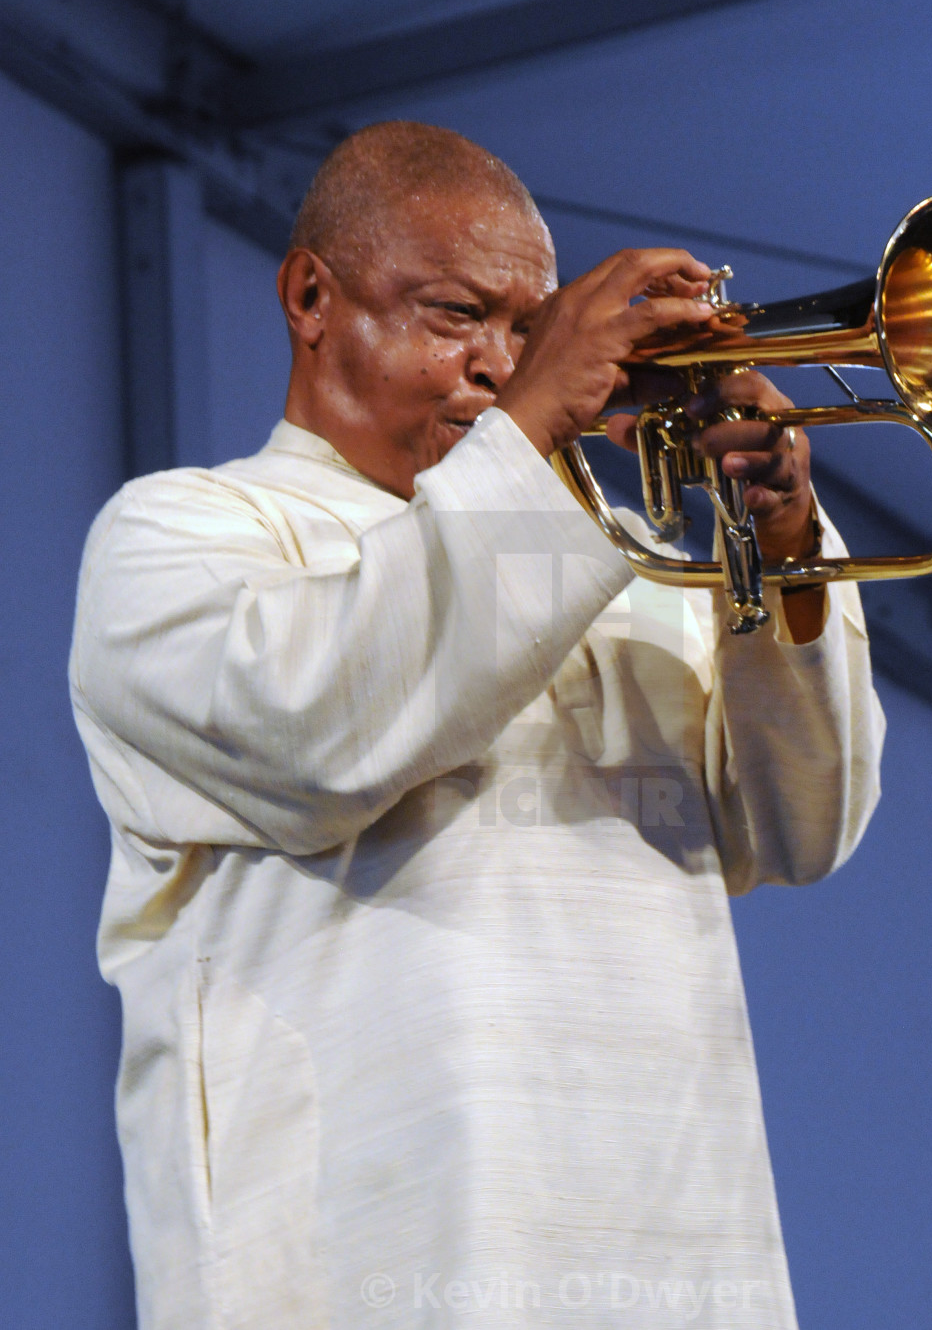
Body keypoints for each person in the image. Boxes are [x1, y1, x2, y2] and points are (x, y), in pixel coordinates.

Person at [71, 122, 885, 1329]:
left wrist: (779, 550)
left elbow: (798, 827)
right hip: (362, 1272)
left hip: (677, 1269)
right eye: (459, 314)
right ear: (310, 296)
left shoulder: (626, 568)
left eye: (530, 328)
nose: (502, 366)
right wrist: (536, 433)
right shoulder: (182, 537)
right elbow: (324, 731)